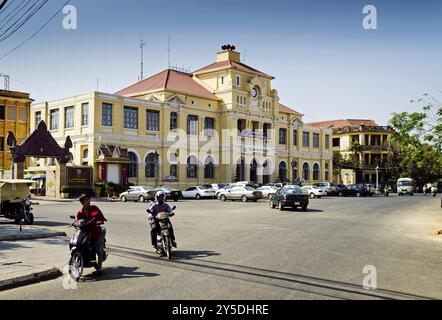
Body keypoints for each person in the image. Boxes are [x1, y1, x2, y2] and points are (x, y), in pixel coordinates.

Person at [77, 194, 107, 272]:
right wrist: (74, 224)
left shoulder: (94, 208)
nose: (88, 201)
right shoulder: (80, 213)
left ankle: (100, 267)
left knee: (97, 249)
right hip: (86, 234)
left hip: (97, 232)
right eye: (86, 200)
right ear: (82, 202)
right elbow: (78, 221)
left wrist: (100, 221)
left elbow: (101, 217)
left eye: (88, 200)